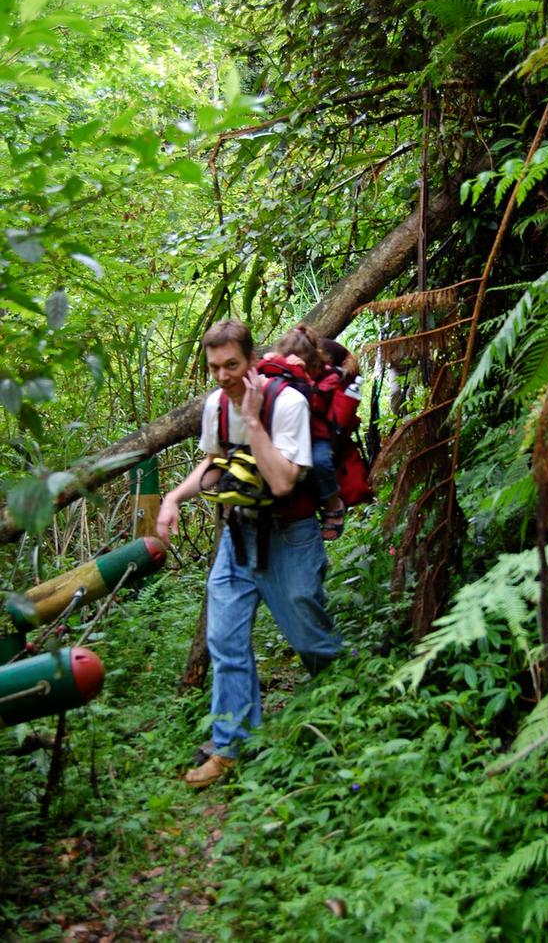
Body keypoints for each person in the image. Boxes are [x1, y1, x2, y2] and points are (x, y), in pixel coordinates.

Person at [156, 319, 342, 788]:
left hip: (290, 536)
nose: (223, 376)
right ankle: (231, 747)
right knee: (225, 642)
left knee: (309, 639)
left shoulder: (288, 403)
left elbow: (282, 480)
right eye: (214, 367)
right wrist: (174, 498)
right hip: (237, 538)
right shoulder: (217, 405)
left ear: (251, 359)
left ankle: (346, 702)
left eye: (232, 365)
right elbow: (214, 464)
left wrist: (255, 420)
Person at [260, 324, 352, 540]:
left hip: (317, 434)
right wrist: (268, 364)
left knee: (319, 461)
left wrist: (302, 377)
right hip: (287, 428)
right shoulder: (281, 367)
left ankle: (333, 504)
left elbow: (315, 405)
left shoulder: (329, 376)